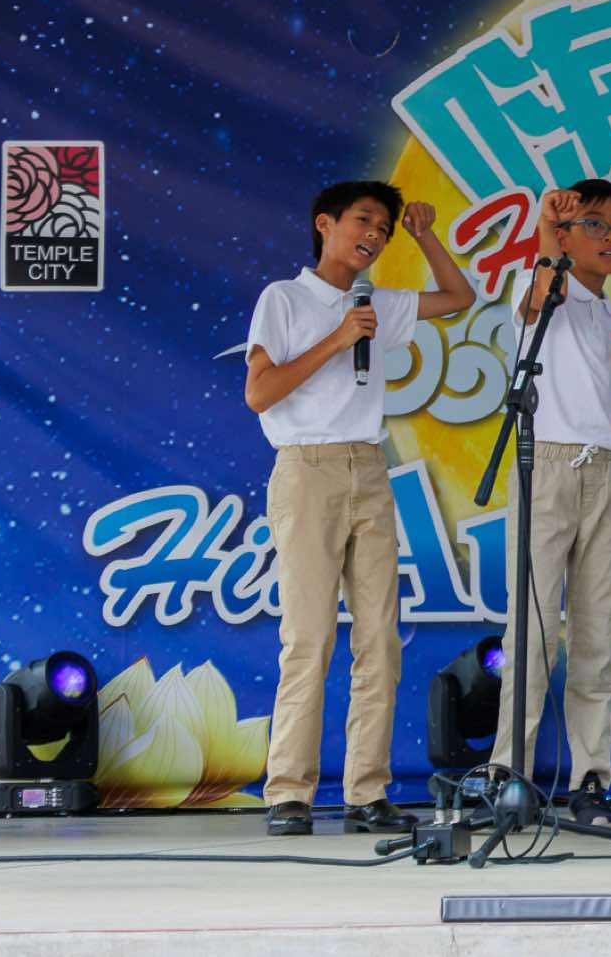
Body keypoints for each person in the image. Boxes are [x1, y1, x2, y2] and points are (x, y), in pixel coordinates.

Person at [244, 181, 474, 837]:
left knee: (379, 637)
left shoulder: (377, 301)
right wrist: (339, 338)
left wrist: (426, 235)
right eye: (364, 220)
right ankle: (289, 792)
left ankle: (366, 792)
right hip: (307, 468)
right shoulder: (284, 298)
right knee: (309, 637)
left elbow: (459, 298)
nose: (375, 234)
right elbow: (259, 391)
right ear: (325, 223)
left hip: (369, 467)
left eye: (385, 228)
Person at [486, 180, 611, 826]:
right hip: (549, 464)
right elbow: (536, 297)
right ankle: (510, 777)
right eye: (595, 224)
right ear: (565, 235)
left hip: (606, 470)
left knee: (597, 634)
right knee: (531, 631)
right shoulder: (543, 287)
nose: (610, 237)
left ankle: (589, 781)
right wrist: (544, 228)